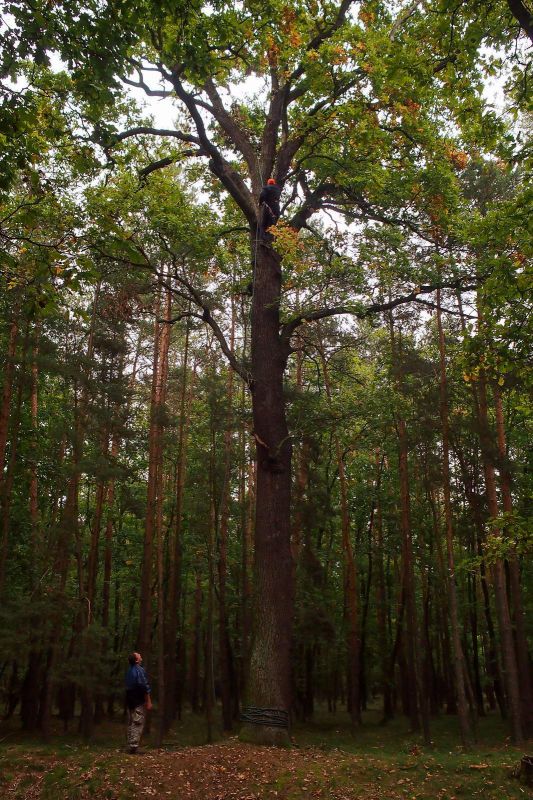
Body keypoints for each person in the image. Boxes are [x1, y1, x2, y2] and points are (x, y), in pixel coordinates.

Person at [125, 652, 152, 754]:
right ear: (137, 660)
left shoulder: (129, 671)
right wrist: (148, 701)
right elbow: (144, 687)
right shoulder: (139, 671)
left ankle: (130, 744)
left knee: (132, 721)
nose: (141, 656)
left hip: (130, 700)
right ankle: (133, 747)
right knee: (137, 721)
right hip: (137, 700)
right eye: (139, 655)